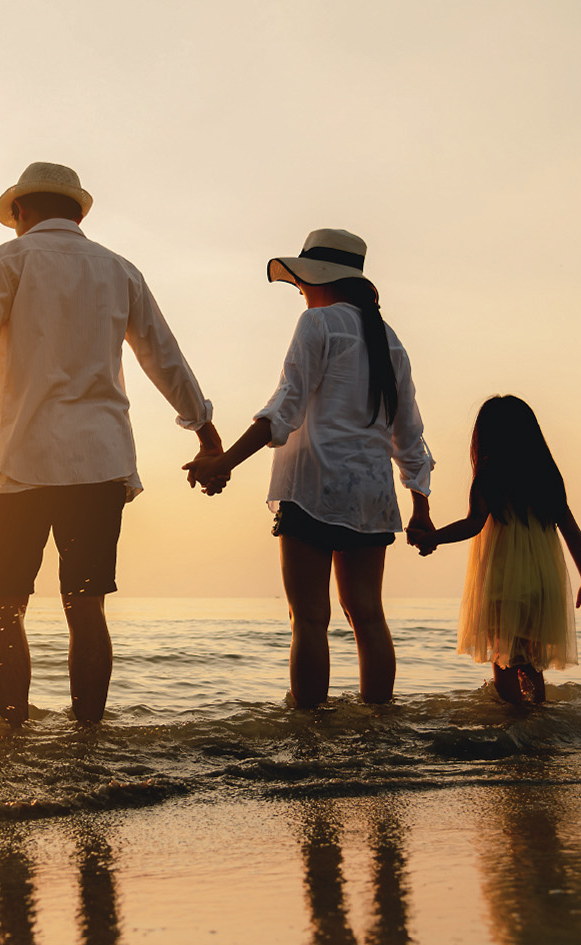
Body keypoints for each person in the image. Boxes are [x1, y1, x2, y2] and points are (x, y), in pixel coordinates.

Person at [0, 162, 220, 726]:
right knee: (87, 610)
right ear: (78, 212)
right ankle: (88, 740)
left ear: (20, 212)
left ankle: (12, 737)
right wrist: (205, 430)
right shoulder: (119, 270)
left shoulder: (7, 260)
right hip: (99, 461)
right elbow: (162, 355)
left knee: (3, 609)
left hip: (19, 461)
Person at [185, 228, 434, 709]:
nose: (299, 292)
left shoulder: (317, 326)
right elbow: (410, 434)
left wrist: (223, 462)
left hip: (313, 488)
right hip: (372, 495)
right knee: (368, 615)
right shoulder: (391, 339)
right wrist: (419, 506)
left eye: (301, 284)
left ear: (318, 281)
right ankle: (378, 726)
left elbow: (284, 410)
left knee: (310, 618)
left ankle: (310, 731)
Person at [410, 395, 581, 705]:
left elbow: (473, 524)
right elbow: (572, 532)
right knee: (530, 659)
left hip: (505, 584)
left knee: (504, 656)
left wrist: (434, 538)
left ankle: (515, 720)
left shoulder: (489, 476)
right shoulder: (547, 478)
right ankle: (537, 715)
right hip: (543, 585)